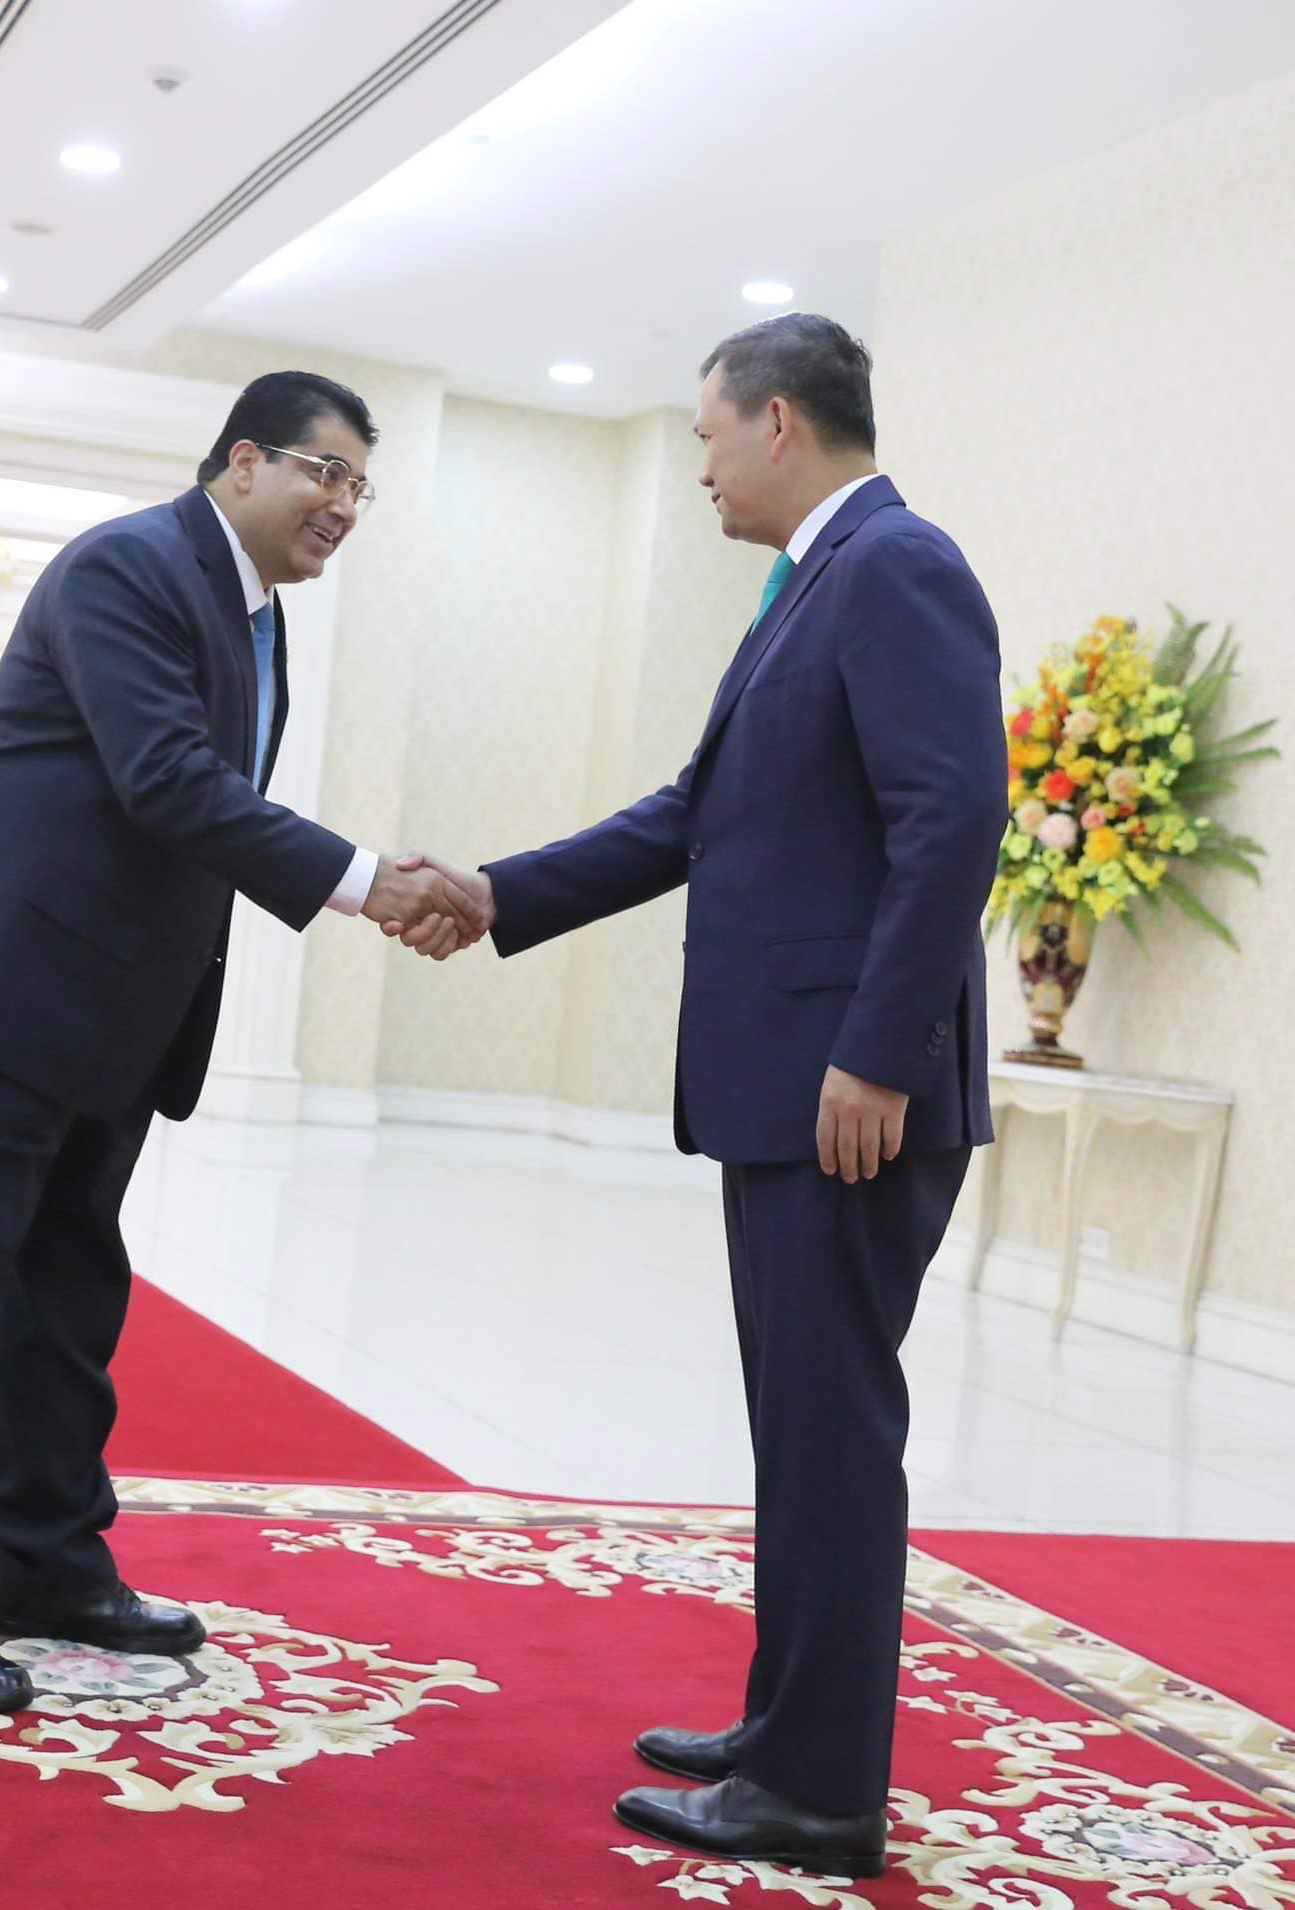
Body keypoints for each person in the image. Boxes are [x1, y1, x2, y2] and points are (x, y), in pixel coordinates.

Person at [396, 315, 1006, 1874]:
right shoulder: (812, 581)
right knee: (798, 1432)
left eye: (707, 434)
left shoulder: (896, 565)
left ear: (779, 420)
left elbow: (954, 819)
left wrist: (876, 1050)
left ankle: (818, 1793)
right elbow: (698, 812)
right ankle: (789, 1729)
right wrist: (498, 891)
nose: (702, 464)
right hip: (790, 1087)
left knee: (830, 1433)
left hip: (846, 1092)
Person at [0, 371, 481, 1712]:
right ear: (243, 461)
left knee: (68, 1295)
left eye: (362, 488)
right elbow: (169, 783)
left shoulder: (258, 617)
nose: (343, 505)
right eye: (324, 472)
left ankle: (48, 1564)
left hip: (110, 1013)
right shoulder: (126, 568)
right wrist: (369, 881)